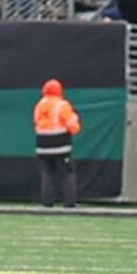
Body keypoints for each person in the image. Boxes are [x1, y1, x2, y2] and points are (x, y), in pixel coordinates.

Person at [33, 78, 80, 208]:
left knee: (47, 174)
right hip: (61, 146)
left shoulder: (39, 105)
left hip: (42, 146)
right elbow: (74, 127)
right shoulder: (62, 105)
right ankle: (69, 203)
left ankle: (47, 203)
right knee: (67, 173)